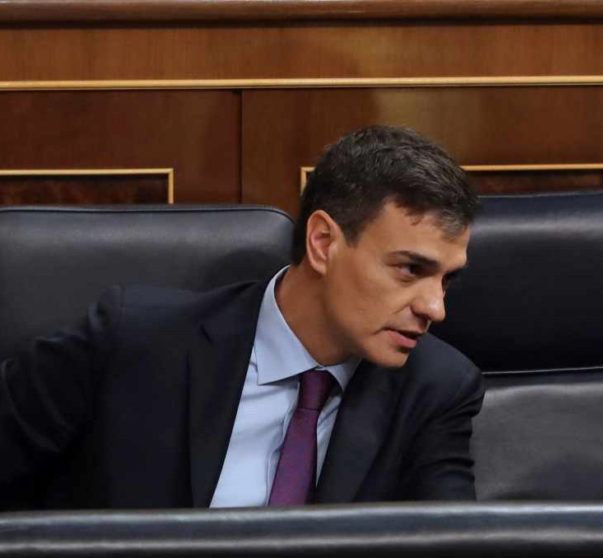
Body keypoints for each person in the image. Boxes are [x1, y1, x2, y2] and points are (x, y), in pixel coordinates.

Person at [0, 125, 483, 509]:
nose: (434, 308)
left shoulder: (435, 389)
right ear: (323, 243)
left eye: (447, 280)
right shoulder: (133, 341)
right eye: (410, 269)